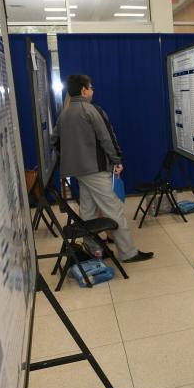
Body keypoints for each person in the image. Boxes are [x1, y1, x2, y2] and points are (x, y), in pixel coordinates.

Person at [52, 74, 154, 263]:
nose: (93, 90)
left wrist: (72, 159)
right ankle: (128, 253)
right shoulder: (92, 110)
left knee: (88, 212)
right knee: (113, 209)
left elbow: (55, 141)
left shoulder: (64, 114)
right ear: (83, 90)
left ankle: (94, 250)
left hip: (78, 173)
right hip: (96, 171)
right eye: (91, 87)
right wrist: (117, 160)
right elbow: (107, 138)